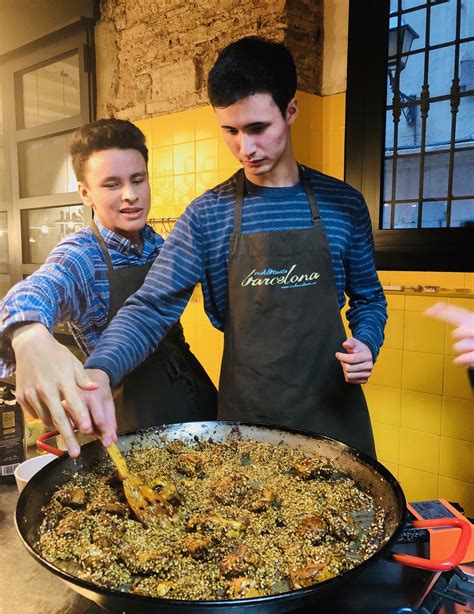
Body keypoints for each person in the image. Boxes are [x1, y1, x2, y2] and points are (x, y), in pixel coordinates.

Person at [9, 37, 388, 458]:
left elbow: (369, 298)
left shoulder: (345, 205)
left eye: (258, 128)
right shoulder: (207, 215)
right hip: (250, 419)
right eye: (231, 130)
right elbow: (152, 305)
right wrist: (96, 370)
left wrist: (367, 341)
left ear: (290, 112)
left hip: (335, 409)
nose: (245, 148)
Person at [0, 119, 217, 457]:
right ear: (86, 192)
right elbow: (43, 286)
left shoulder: (158, 245)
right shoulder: (83, 255)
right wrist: (27, 334)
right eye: (112, 184)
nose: (130, 195)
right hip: (130, 418)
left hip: (194, 397)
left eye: (138, 180)